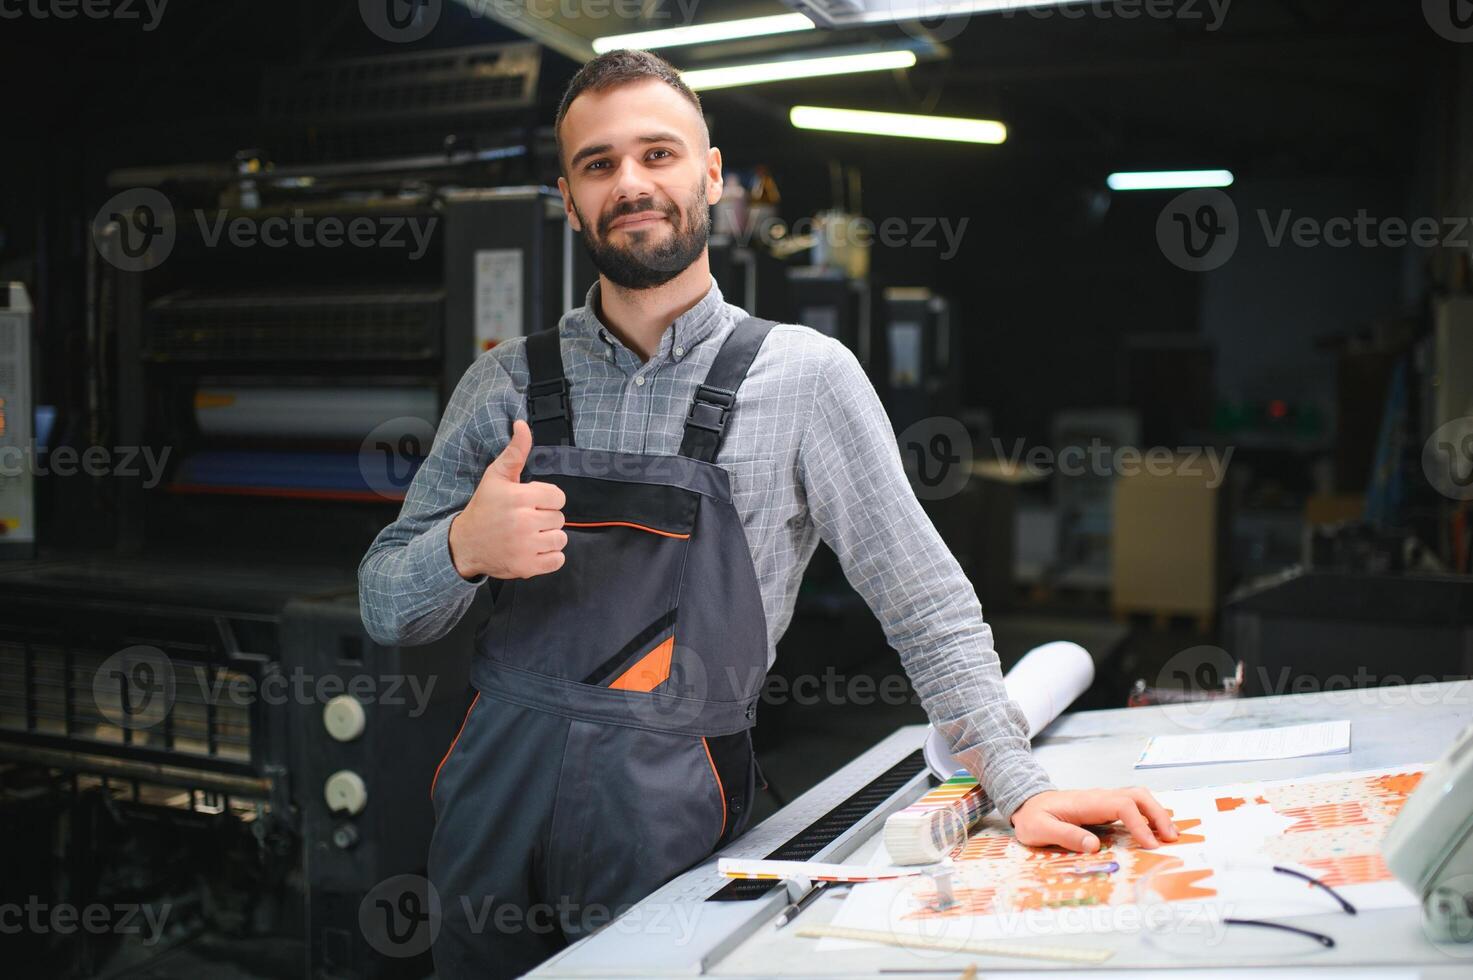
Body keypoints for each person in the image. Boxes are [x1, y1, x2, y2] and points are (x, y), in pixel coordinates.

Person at [358, 47, 1178, 980]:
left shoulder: (803, 378)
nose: (630, 182)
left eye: (657, 154)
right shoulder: (501, 381)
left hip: (669, 818)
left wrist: (1020, 788)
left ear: (710, 174)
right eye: (599, 164)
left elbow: (925, 606)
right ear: (569, 196)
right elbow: (385, 603)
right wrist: (463, 548)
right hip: (493, 807)